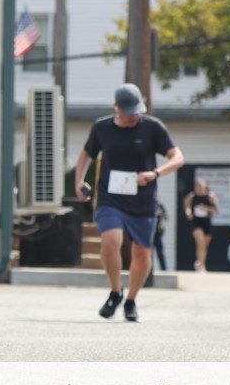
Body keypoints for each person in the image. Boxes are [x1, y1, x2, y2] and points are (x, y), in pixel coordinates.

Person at [75, 83, 184, 322]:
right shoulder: (102, 127)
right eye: (129, 112)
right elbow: (86, 154)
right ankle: (116, 292)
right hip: (110, 198)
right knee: (111, 240)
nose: (134, 116)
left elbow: (178, 157)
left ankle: (131, 301)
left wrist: (155, 173)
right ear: (116, 107)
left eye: (137, 111)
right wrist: (79, 181)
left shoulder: (153, 127)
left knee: (143, 255)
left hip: (143, 201)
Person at [183, 178, 219, 272]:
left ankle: (201, 263)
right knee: (200, 243)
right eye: (197, 186)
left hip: (206, 222)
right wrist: (188, 213)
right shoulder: (192, 196)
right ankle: (200, 265)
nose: (199, 188)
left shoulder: (209, 196)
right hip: (196, 222)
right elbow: (187, 206)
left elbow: (216, 210)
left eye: (200, 186)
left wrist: (205, 208)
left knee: (204, 246)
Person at [153, 200, 168, 271]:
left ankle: (163, 269)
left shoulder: (159, 205)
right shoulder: (147, 204)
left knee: (160, 251)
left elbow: (166, 217)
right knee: (148, 252)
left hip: (157, 233)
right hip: (149, 232)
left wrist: (161, 213)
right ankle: (150, 269)